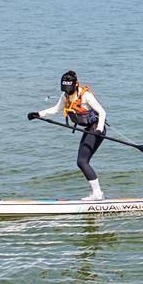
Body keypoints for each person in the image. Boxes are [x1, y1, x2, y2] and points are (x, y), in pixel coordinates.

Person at [28, 70, 109, 200]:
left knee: (82, 162)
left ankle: (98, 194)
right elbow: (56, 109)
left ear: (75, 84)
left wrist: (99, 129)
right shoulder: (65, 96)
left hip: (96, 129)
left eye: (69, 89)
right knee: (82, 162)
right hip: (88, 129)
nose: (67, 92)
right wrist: (38, 114)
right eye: (65, 89)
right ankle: (97, 193)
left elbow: (102, 112)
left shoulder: (86, 95)